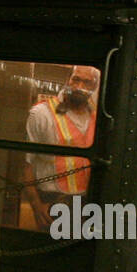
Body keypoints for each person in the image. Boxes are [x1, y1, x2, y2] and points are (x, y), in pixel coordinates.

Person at [22, 65, 99, 230]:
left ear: (94, 87)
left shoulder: (97, 117)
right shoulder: (41, 114)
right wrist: (36, 206)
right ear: (68, 80)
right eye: (76, 79)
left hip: (88, 204)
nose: (79, 87)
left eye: (87, 82)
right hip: (53, 202)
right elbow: (26, 164)